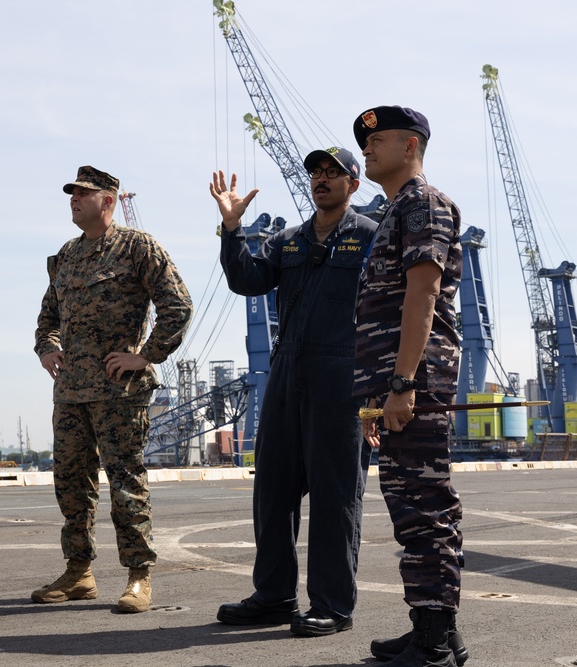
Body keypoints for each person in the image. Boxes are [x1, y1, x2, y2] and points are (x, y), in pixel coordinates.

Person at [209, 147, 377, 637]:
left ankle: (332, 605)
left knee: (334, 495)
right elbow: (246, 280)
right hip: (287, 371)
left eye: (333, 172)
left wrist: (377, 393)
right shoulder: (289, 241)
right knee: (273, 490)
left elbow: (389, 312)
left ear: (354, 182)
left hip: (342, 375)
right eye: (315, 173)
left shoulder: (371, 237)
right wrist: (231, 230)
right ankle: (274, 595)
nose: (321, 179)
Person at [32, 165, 193, 614]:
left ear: (109, 200)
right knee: (70, 485)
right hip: (70, 392)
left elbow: (177, 305)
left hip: (119, 391)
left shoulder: (137, 247)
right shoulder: (66, 255)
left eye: (83, 194)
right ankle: (78, 573)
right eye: (71, 194)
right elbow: (48, 317)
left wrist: (147, 355)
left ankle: (139, 576)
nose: (73, 199)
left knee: (125, 483)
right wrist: (47, 347)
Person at [351, 106, 467, 667]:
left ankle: (436, 640)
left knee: (426, 506)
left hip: (415, 383)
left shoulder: (423, 203)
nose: (367, 147)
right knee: (408, 505)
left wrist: (402, 384)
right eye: (365, 141)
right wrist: (379, 395)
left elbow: (422, 297)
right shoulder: (398, 209)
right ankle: (431, 624)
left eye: (378, 139)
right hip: (394, 386)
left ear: (411, 144)